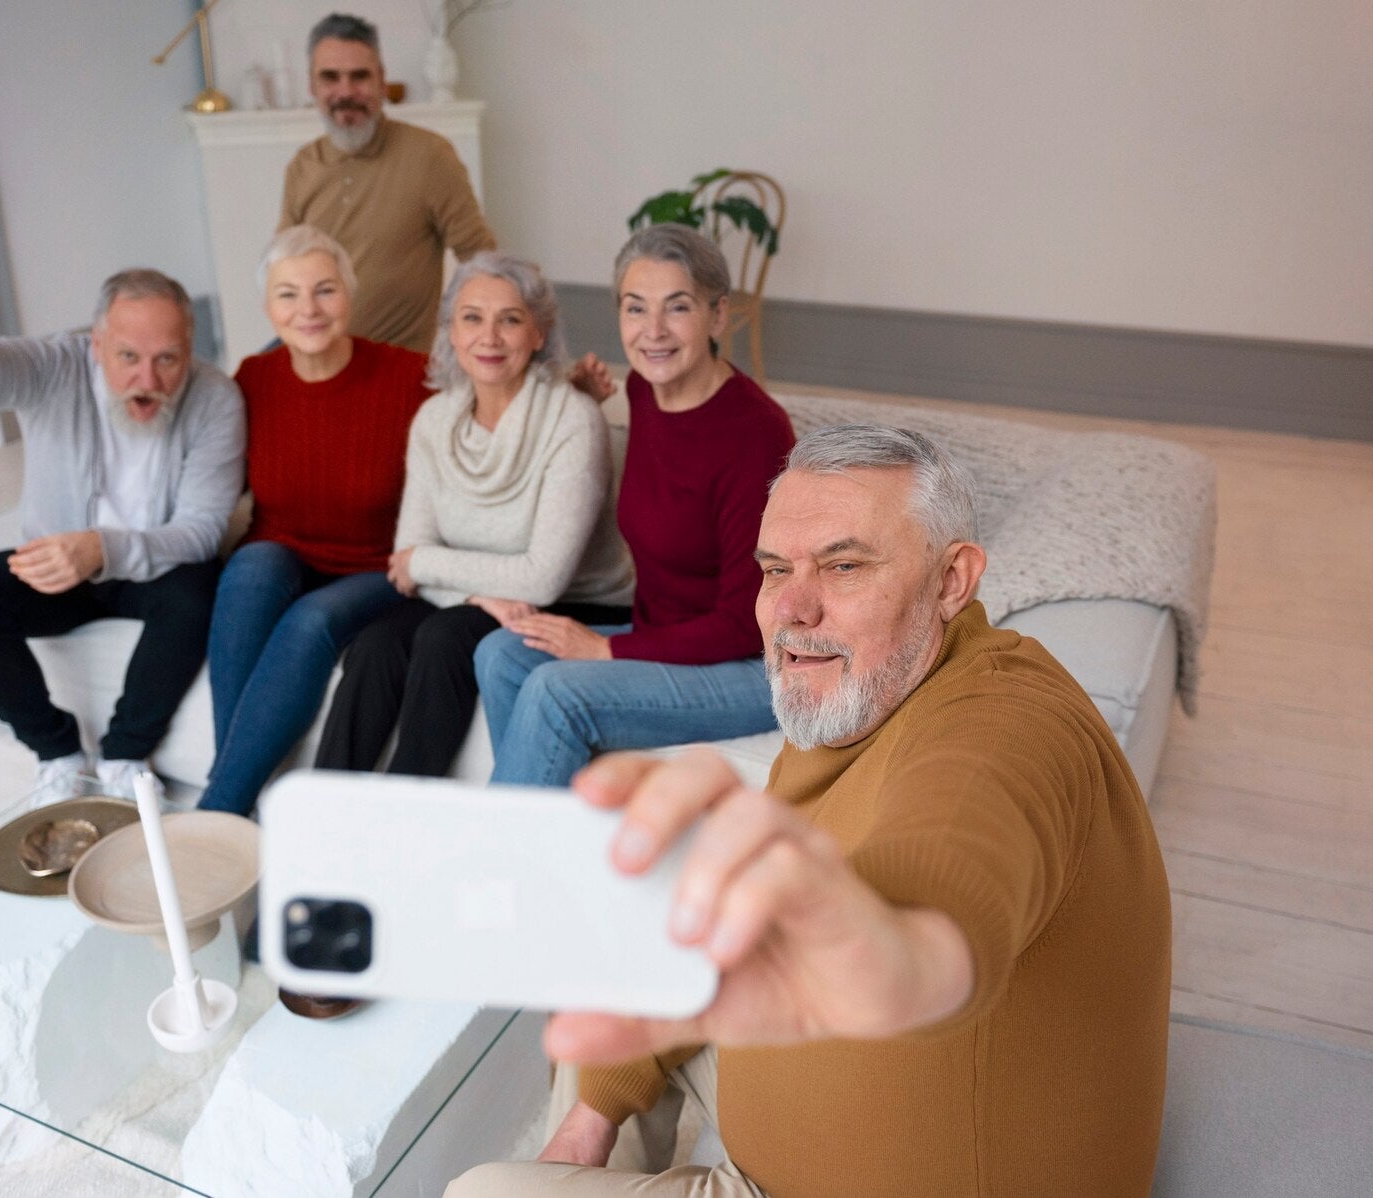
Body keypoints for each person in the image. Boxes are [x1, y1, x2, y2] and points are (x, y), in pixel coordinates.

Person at [449, 425, 1172, 1197]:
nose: (791, 609)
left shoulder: (1006, 722)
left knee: (480, 1194)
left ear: (952, 580)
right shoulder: (854, 693)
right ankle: (586, 1147)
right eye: (774, 570)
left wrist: (904, 954)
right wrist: (593, 1111)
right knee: (629, 965)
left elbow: (957, 859)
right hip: (806, 1134)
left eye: (845, 565)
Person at [0, 217, 244, 798]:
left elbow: (203, 529)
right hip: (57, 564)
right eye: (128, 356)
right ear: (95, 342)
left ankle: (125, 755)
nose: (148, 379)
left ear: (191, 348)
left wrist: (102, 548)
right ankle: (56, 751)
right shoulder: (55, 366)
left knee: (200, 590)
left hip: (154, 569)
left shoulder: (215, 397)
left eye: (169, 359)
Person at [473, 224, 793, 788]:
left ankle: (502, 864)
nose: (653, 332)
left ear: (718, 316)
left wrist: (606, 649)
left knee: (557, 690)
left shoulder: (756, 433)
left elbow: (745, 624)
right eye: (635, 308)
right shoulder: (644, 390)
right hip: (663, 630)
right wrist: (579, 397)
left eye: (677, 308)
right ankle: (546, 830)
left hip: (752, 666)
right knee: (501, 653)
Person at [311, 252, 632, 779]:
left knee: (443, 638)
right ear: (451, 334)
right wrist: (475, 592)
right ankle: (320, 818)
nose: (490, 336)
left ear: (538, 333)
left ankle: (409, 819)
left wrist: (428, 565)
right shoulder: (435, 419)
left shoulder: (572, 419)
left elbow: (542, 578)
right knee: (376, 644)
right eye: (472, 318)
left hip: (579, 601)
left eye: (509, 319)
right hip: (477, 598)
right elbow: (407, 562)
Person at [195, 227, 431, 818]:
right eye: (288, 295)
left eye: (325, 290)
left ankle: (216, 811)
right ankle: (237, 789)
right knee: (250, 567)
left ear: (349, 296)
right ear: (267, 307)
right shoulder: (252, 379)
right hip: (284, 553)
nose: (308, 310)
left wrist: (571, 389)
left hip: (380, 566)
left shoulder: (412, 378)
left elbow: (493, 404)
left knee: (311, 620)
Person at [280, 12, 496, 352]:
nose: (345, 91)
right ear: (312, 86)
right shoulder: (302, 167)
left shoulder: (431, 156)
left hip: (400, 366)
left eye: (360, 76)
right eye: (330, 77)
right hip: (319, 361)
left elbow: (482, 261)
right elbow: (284, 271)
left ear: (382, 81)